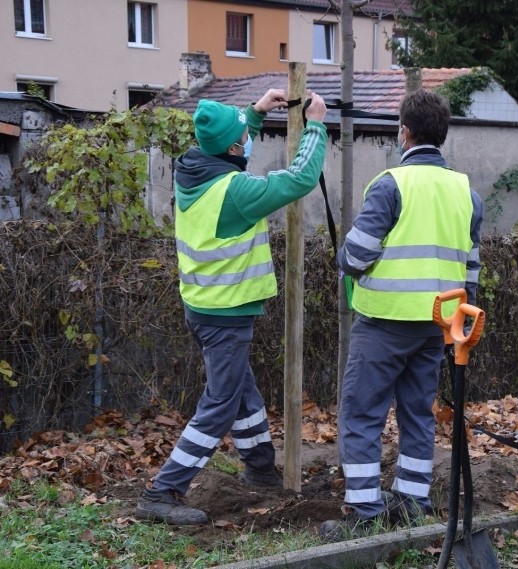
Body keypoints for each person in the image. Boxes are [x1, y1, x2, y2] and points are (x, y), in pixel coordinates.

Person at [135, 89, 328, 525]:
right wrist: (315, 126)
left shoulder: (195, 169)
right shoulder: (235, 192)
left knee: (242, 390)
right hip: (224, 311)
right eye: (243, 140)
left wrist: (254, 114)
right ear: (233, 148)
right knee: (222, 401)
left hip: (204, 305)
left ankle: (260, 468)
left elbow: (232, 155)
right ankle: (162, 491)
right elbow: (297, 180)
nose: (246, 145)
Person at [321, 89, 483, 540]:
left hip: (384, 322)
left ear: (404, 132)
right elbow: (471, 264)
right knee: (417, 413)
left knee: (361, 412)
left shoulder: (390, 184)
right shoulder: (465, 191)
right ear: (442, 135)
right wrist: (460, 321)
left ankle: (365, 510)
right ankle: (412, 502)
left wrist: (343, 258)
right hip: (437, 324)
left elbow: (357, 255)